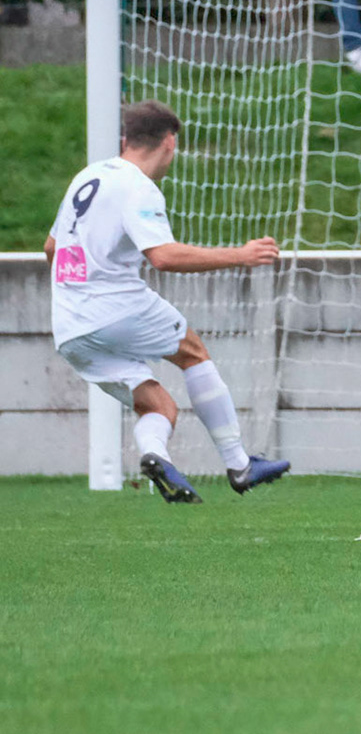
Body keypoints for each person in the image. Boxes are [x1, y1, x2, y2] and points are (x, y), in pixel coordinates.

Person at [44, 101, 288, 503]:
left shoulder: (86, 177)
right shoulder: (138, 187)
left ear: (126, 140)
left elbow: (52, 248)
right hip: (114, 305)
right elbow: (164, 256)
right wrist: (241, 255)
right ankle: (240, 464)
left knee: (159, 407)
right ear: (170, 143)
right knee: (192, 351)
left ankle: (156, 457)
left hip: (70, 327)